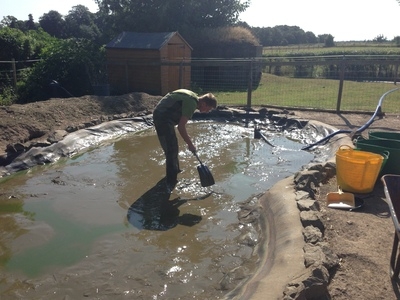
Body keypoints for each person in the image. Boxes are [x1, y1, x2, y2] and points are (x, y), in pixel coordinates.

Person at [153, 89, 217, 191]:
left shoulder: (192, 96)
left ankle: (176, 170)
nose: (207, 112)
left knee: (173, 147)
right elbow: (181, 127)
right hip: (162, 118)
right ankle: (170, 183)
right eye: (208, 109)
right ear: (204, 103)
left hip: (164, 115)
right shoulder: (191, 103)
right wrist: (190, 144)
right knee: (171, 150)